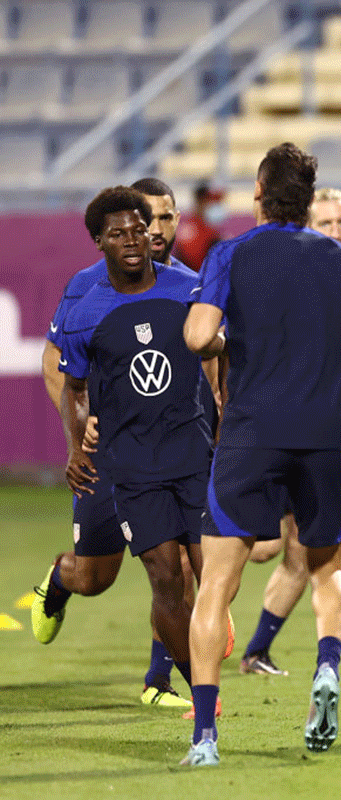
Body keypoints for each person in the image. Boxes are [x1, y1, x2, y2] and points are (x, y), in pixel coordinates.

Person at [181, 143, 341, 765]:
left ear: (258, 191)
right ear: (310, 199)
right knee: (325, 568)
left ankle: (204, 738)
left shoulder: (231, 254)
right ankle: (326, 668)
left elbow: (199, 336)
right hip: (324, 436)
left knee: (216, 588)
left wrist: (236, 343)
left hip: (250, 436)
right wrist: (336, 359)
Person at [31, 179, 215, 711]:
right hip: (110, 457)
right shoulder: (84, 293)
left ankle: (163, 682)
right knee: (96, 577)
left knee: (178, 570)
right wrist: (80, 436)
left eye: (160, 220)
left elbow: (211, 359)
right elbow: (63, 372)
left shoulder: (189, 285)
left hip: (177, 453)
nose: (149, 232)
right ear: (103, 239)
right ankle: (59, 581)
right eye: (136, 224)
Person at [238, 185, 341, 677]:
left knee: (300, 552)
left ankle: (255, 651)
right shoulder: (292, 272)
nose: (336, 232)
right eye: (326, 224)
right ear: (306, 226)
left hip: (315, 433)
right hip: (270, 427)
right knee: (263, 548)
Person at [174, 180, 226, 270]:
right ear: (200, 202)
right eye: (212, 202)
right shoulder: (190, 233)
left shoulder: (214, 232)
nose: (217, 206)